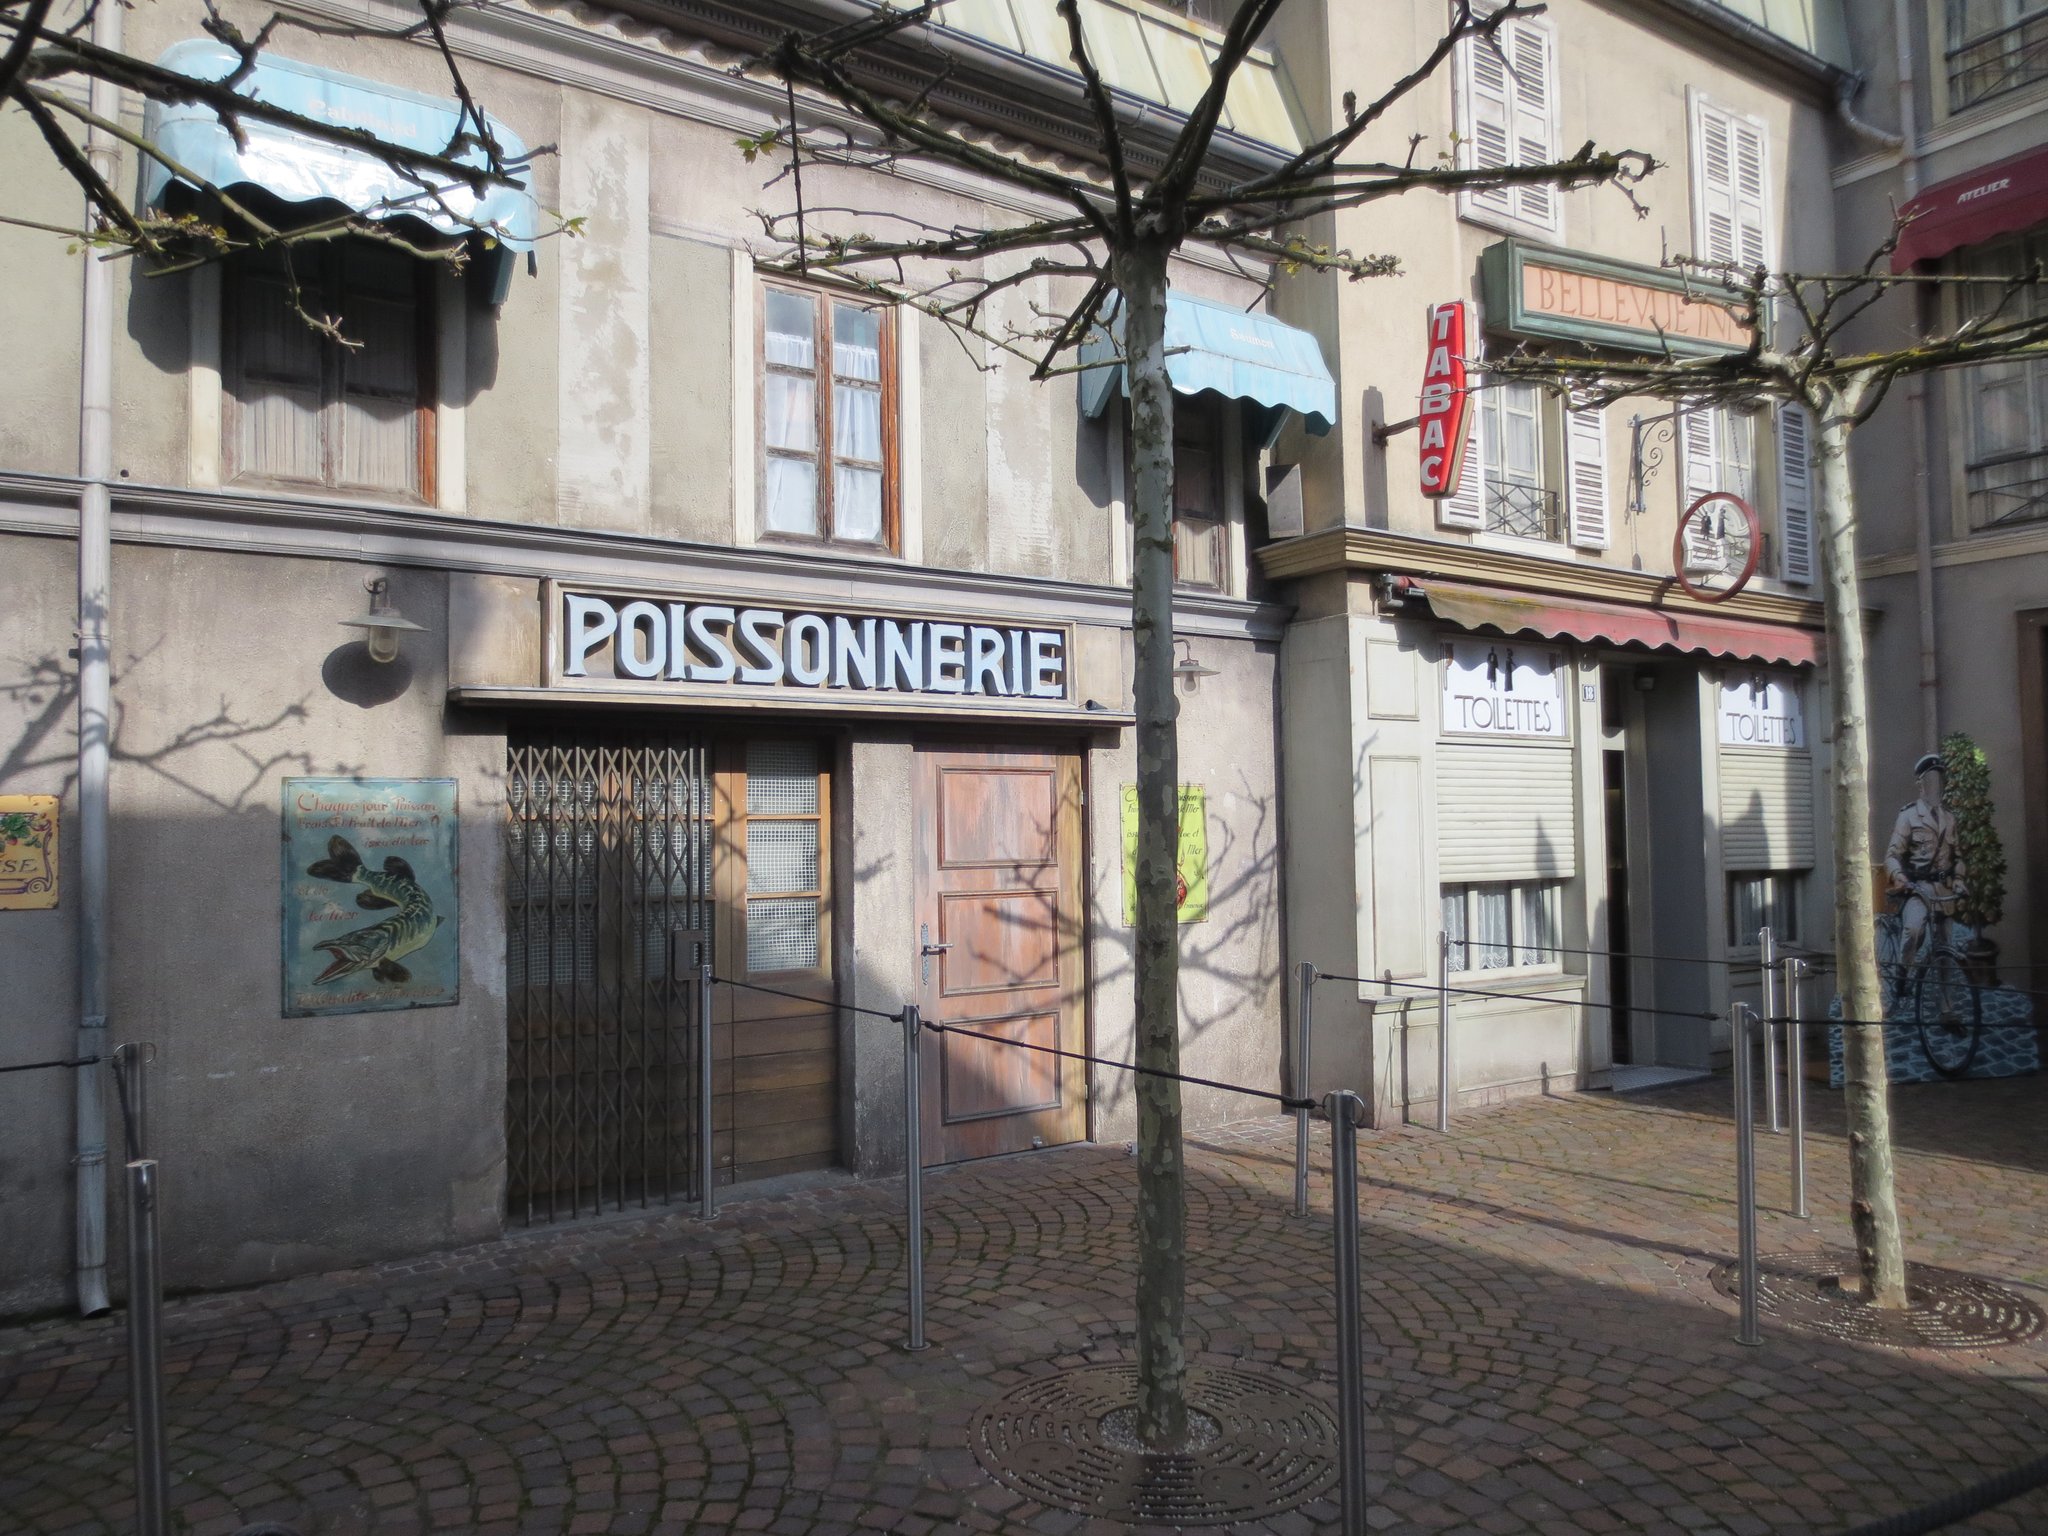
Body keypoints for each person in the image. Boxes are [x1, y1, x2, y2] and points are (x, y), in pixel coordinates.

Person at [1885, 753, 1967, 971]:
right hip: (1917, 890)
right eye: (1930, 781)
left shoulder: (1950, 819)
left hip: (1944, 890)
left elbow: (1957, 856)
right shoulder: (1908, 816)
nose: (1935, 787)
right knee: (1913, 931)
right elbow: (1892, 855)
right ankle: (1903, 973)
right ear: (1921, 785)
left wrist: (1959, 879)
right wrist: (1898, 876)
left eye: (1939, 782)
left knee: (1946, 948)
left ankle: (1946, 1005)